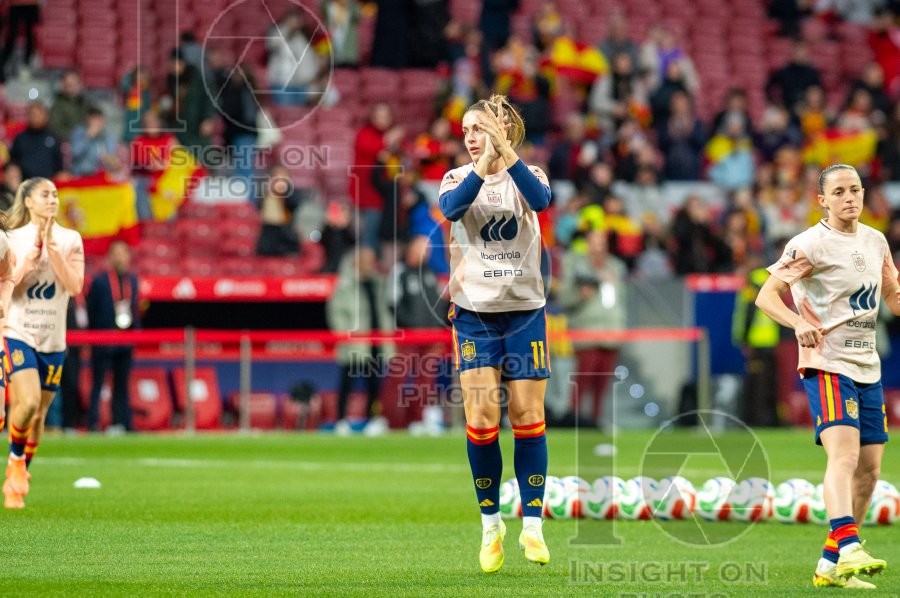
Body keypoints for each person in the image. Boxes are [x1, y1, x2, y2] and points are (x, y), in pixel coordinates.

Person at [755, 164, 893, 589]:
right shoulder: (809, 244)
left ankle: (830, 565)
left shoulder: (876, 241)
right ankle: (851, 545)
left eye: (855, 189)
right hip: (827, 362)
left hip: (868, 366)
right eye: (839, 191)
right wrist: (797, 323)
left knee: (870, 472)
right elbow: (766, 296)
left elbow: (894, 298)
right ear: (823, 200)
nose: (849, 197)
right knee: (845, 456)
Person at [438, 94, 551, 572]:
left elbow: (541, 201)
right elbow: (452, 209)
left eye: (478, 128)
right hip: (474, 313)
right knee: (482, 419)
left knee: (527, 412)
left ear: (502, 128)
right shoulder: (456, 177)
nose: (468, 136)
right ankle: (490, 526)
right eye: (465, 129)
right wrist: (485, 159)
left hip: (525, 311)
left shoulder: (532, 174)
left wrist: (504, 153)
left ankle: (532, 525)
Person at [3, 177, 85, 508]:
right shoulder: (11, 239)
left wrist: (52, 250)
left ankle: (17, 473)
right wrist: (31, 257)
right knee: (28, 402)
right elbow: (8, 281)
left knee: (38, 414)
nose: (52, 199)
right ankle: (15, 463)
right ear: (27, 201)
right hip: (18, 330)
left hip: (54, 337)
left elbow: (75, 286)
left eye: (55, 194)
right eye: (44, 195)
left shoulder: (69, 239)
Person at [87, 241, 139, 433]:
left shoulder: (132, 280)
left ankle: (123, 423)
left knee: (122, 384)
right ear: (110, 257)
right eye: (116, 253)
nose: (120, 257)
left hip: (125, 341)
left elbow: (135, 309)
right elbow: (92, 310)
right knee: (98, 383)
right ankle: (93, 422)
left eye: (123, 253)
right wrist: (95, 336)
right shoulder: (100, 281)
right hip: (103, 340)